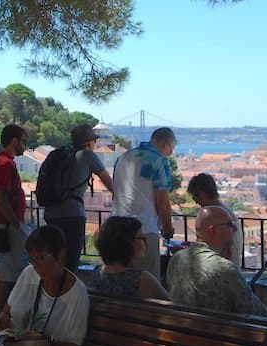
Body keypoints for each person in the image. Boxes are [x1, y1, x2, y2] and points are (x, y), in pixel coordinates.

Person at [166, 205, 267, 317]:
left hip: (183, 331)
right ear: (213, 231)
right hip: (219, 332)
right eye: (229, 225)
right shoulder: (224, 268)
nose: (235, 229)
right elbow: (259, 314)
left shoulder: (176, 260)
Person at [43, 123, 114, 270]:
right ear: (89, 142)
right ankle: (66, 291)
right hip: (72, 215)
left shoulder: (57, 155)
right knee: (71, 262)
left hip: (50, 213)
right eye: (94, 141)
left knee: (55, 259)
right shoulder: (88, 155)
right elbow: (109, 182)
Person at [111, 127, 176, 280]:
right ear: (165, 145)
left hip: (117, 228)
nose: (171, 153)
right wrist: (167, 229)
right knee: (146, 283)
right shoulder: (160, 160)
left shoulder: (123, 158)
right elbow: (162, 202)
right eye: (171, 149)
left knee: (121, 280)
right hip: (143, 230)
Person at [0, 124, 29, 316]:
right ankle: (2, 316)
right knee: (10, 274)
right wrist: (16, 224)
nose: (25, 146)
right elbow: (1, 198)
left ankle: (3, 315)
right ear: (14, 141)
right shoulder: (5, 164)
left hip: (4, 224)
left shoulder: (1, 161)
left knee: (10, 272)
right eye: (23, 141)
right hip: (7, 226)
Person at [88, 216, 169, 299]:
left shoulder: (97, 273)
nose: (146, 243)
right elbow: (172, 307)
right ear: (127, 242)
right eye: (142, 238)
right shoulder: (141, 279)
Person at [187, 173, 243, 266]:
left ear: (202, 195)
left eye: (194, 197)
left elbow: (216, 250)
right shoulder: (224, 213)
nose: (196, 202)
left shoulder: (214, 216)